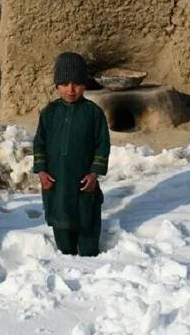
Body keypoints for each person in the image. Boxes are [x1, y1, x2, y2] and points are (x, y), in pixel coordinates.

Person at [33, 52, 110, 257]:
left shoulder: (93, 113)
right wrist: (41, 172)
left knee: (88, 236)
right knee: (64, 241)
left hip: (83, 183)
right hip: (57, 183)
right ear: (57, 85)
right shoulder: (49, 113)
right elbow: (39, 144)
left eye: (76, 83)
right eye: (65, 83)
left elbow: (102, 145)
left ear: (84, 84)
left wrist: (94, 174)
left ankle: (89, 259)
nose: (71, 89)